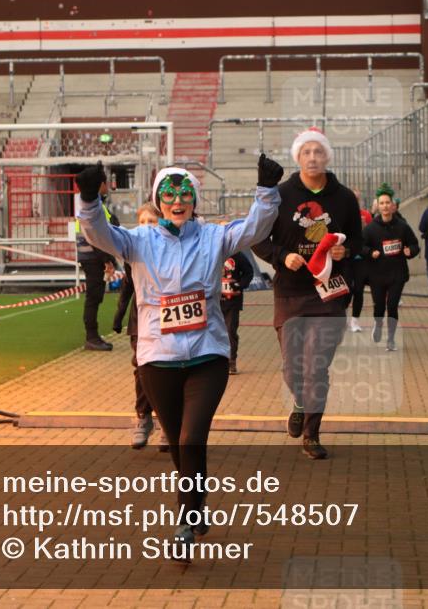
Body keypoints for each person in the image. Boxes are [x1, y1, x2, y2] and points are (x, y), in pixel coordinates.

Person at [76, 156, 283, 555]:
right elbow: (100, 233)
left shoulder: (214, 237)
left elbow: (256, 227)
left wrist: (266, 191)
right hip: (158, 360)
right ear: (158, 200)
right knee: (178, 442)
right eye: (169, 194)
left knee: (191, 439)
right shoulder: (139, 240)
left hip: (208, 355)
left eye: (185, 193)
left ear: (195, 200)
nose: (177, 199)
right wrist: (88, 200)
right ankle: (197, 501)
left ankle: (185, 524)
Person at [252, 127, 363, 461]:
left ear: (327, 156)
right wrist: (280, 257)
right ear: (297, 157)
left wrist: (347, 251)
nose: (313, 157)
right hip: (290, 292)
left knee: (317, 365)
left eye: (318, 152)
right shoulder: (281, 194)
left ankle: (312, 433)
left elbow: (358, 239)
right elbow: (257, 236)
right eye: (306, 152)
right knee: (293, 369)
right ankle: (300, 403)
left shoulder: (344, 198)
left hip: (329, 294)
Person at [112, 202, 169, 451]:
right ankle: (143, 417)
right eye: (143, 222)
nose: (147, 227)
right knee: (142, 369)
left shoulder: (171, 250)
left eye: (152, 222)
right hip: (140, 320)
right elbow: (127, 286)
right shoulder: (133, 252)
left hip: (168, 317)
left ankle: (168, 424)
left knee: (167, 371)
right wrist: (119, 314)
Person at [362, 184, 419, 351]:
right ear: (378, 206)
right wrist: (370, 252)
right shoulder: (371, 228)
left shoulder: (402, 226)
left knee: (392, 306)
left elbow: (414, 244)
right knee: (379, 306)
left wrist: (410, 251)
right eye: (382, 203)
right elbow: (360, 246)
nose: (385, 206)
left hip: (397, 273)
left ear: (392, 205)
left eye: (388, 203)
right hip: (377, 274)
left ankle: (391, 339)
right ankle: (378, 324)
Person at [74, 163, 120, 351]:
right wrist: (107, 260)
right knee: (94, 297)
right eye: (105, 182)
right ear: (99, 184)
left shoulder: (94, 205)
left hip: (91, 256)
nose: (108, 185)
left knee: (95, 296)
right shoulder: (94, 208)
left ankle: (93, 336)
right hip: (93, 257)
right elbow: (96, 238)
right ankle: (91, 337)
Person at [220, 249, 253, 374]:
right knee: (214, 332)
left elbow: (249, 272)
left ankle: (231, 361)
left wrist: (240, 285)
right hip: (214, 302)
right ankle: (216, 362)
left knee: (230, 331)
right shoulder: (209, 251)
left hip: (232, 302)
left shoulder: (238, 255)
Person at [348, 189, 373, 333]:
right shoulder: (344, 213)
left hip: (361, 261)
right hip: (346, 259)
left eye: (357, 198)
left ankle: (355, 321)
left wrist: (364, 227)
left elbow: (370, 237)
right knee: (345, 291)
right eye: (353, 198)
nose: (355, 200)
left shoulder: (366, 215)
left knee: (359, 290)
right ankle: (342, 319)